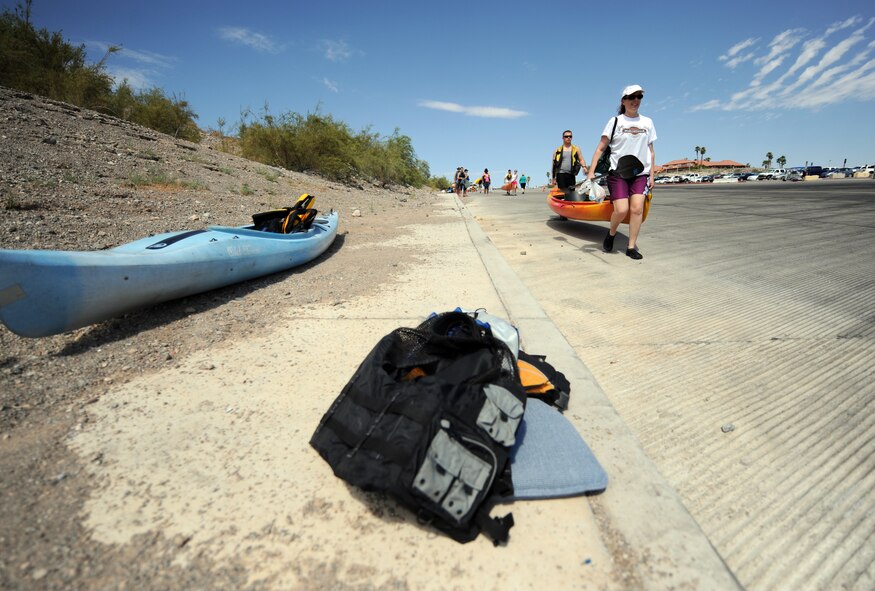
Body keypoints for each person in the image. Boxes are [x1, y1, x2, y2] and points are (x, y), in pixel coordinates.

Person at [587, 85, 656, 260]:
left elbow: (651, 151)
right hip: (618, 173)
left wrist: (652, 175)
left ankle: (631, 247)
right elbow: (600, 148)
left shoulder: (647, 122)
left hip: (640, 173)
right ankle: (611, 233)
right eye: (631, 97)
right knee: (621, 209)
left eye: (639, 97)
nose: (635, 101)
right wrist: (591, 171)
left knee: (637, 209)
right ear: (623, 100)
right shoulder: (615, 121)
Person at [552, 130, 586, 196]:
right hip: (560, 174)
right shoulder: (557, 150)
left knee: (571, 191)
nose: (568, 138)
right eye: (566, 136)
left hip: (571, 174)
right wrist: (553, 178)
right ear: (563, 138)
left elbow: (581, 159)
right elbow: (554, 165)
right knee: (563, 192)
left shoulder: (576, 149)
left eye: (570, 136)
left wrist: (584, 167)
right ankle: (564, 203)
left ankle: (570, 204)